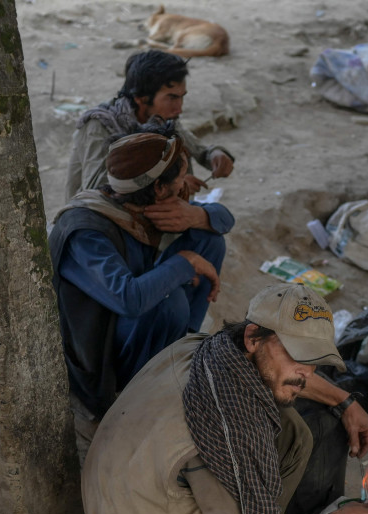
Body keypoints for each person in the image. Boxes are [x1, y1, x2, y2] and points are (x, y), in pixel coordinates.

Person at [82, 283, 368, 514]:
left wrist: (346, 402)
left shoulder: (210, 350)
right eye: (296, 354)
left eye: (315, 362)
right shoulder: (218, 432)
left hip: (116, 505)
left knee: (294, 432)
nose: (306, 374)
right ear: (254, 337)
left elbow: (289, 376)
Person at [49, 132, 232, 421]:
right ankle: (137, 396)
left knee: (209, 241)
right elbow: (129, 299)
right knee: (169, 305)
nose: (185, 185)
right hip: (98, 352)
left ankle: (178, 353)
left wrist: (197, 218)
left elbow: (224, 219)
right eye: (180, 179)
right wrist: (185, 262)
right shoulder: (85, 231)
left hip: (125, 324)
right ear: (158, 188)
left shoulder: (138, 203)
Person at [65, 50, 235, 206]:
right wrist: (171, 184)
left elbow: (197, 148)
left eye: (181, 97)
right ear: (141, 98)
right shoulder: (100, 125)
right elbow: (96, 192)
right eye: (171, 98)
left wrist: (214, 154)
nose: (179, 108)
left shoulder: (161, 118)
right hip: (103, 225)